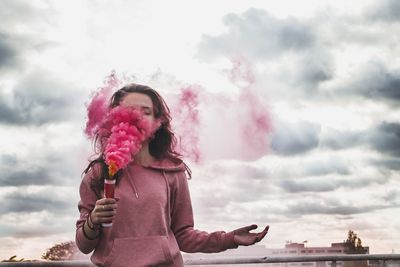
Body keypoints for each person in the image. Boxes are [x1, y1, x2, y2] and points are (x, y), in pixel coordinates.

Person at [75, 83, 269, 267]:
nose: (137, 117)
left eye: (146, 111)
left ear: (157, 122)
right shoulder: (99, 174)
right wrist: (93, 220)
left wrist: (230, 238)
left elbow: (184, 235)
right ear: (115, 118)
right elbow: (84, 245)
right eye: (130, 110)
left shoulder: (173, 170)